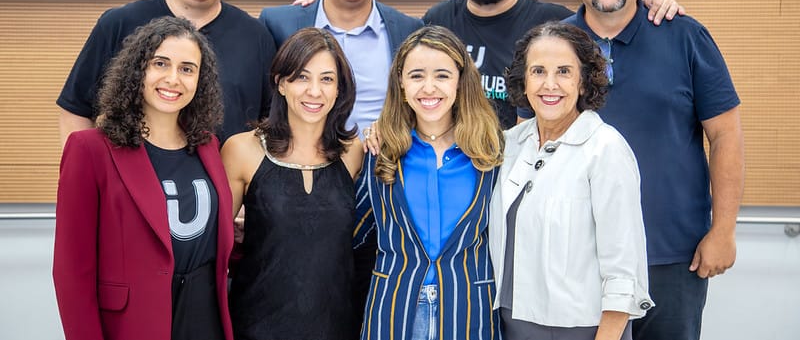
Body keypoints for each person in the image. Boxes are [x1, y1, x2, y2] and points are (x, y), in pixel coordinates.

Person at [564, 0, 745, 340]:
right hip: (577, 255)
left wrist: (723, 231)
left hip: (670, 256)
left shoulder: (685, 35)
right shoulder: (555, 43)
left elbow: (726, 136)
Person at [53, 16, 234, 340]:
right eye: (160, 63)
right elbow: (72, 272)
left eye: (187, 68)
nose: (173, 79)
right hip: (133, 322)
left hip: (205, 317)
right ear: (138, 70)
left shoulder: (208, 145)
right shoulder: (90, 149)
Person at [424, 0, 685, 128]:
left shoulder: (558, 24)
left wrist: (647, 1)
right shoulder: (438, 23)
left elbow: (607, 19)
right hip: (457, 173)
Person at [489, 22, 652, 340]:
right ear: (524, 82)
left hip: (584, 328)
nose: (549, 84)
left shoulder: (605, 149)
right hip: (508, 323)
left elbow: (624, 267)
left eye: (563, 71)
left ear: (583, 82)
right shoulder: (508, 145)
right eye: (538, 71)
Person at [57, 0, 276, 146]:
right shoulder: (119, 23)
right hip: (133, 179)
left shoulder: (256, 37)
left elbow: (271, 124)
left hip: (227, 180)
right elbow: (76, 111)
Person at [355, 25, 504, 340]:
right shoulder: (380, 150)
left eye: (442, 75)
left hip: (468, 309)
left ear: (461, 82)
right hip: (394, 307)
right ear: (401, 82)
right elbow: (351, 229)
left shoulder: (492, 153)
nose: (429, 87)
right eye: (417, 75)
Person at [222, 27, 364, 340]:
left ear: (340, 89)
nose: (315, 91)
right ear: (281, 83)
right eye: (301, 77)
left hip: (338, 326)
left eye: (327, 79)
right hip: (256, 325)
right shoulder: (242, 150)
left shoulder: (355, 152)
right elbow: (215, 250)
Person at [259, 0, 422, 134]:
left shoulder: (408, 30)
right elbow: (264, 105)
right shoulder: (279, 25)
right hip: (302, 163)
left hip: (382, 164)